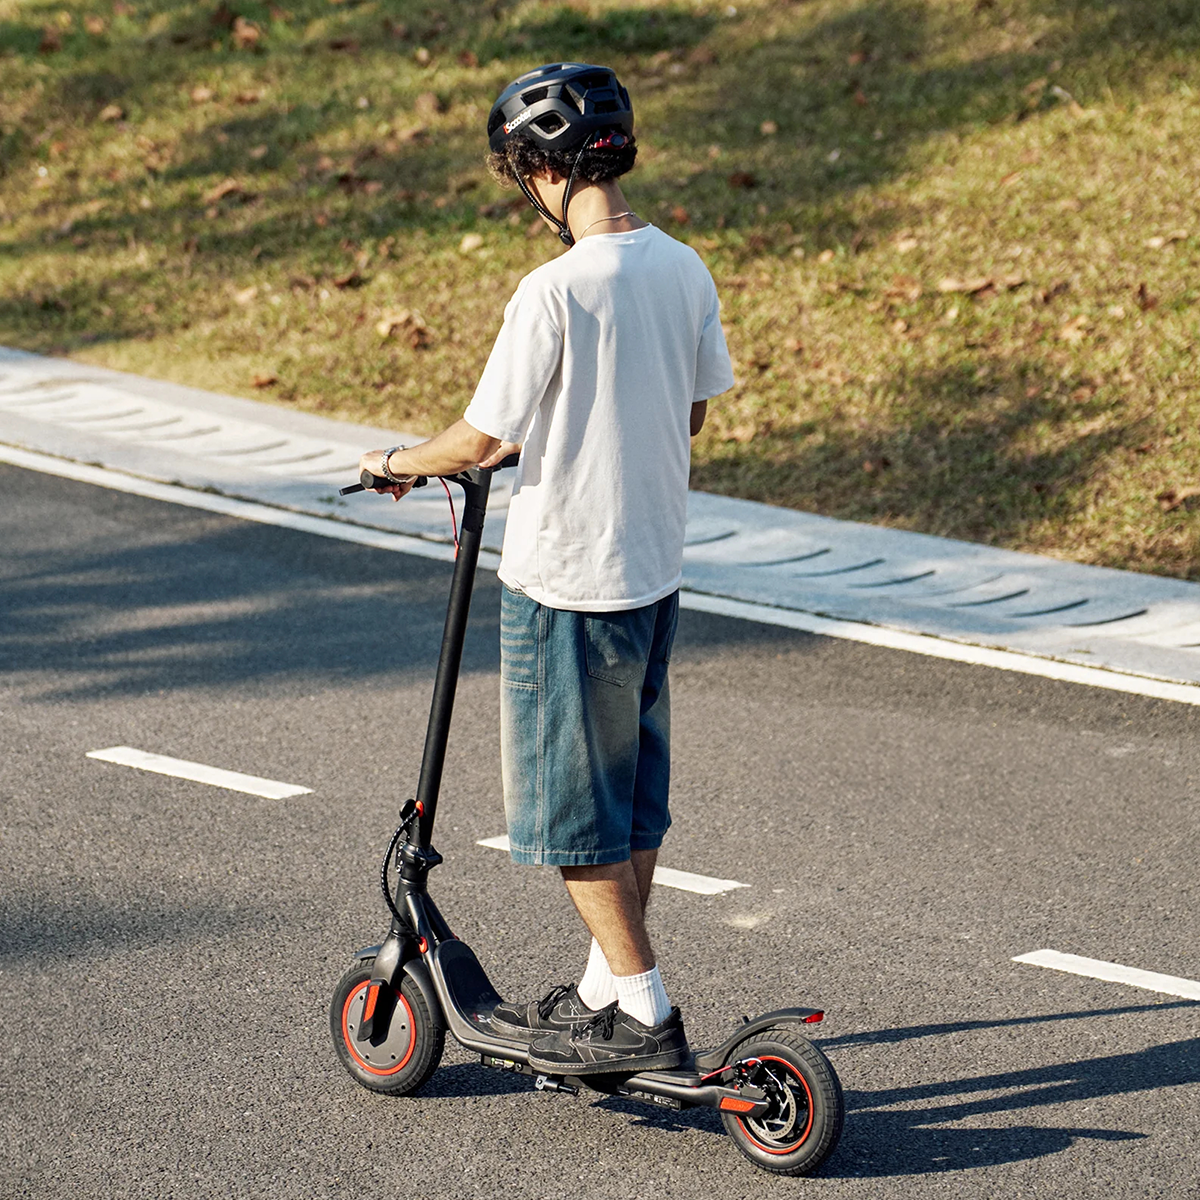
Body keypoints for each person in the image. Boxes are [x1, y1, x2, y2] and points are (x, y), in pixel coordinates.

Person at [359, 61, 734, 1075]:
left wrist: (392, 462)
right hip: (652, 577)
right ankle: (607, 990)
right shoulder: (684, 267)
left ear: (537, 170)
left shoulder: (553, 290)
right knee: (631, 800)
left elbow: (477, 443)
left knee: (572, 823)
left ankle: (646, 1007)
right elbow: (682, 413)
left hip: (566, 585)